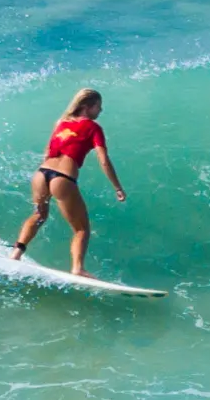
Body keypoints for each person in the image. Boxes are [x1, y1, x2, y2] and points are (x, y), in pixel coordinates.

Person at [11, 86, 128, 277]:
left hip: (41, 174)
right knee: (81, 229)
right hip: (62, 178)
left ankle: (16, 253)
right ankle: (77, 268)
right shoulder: (93, 128)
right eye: (98, 106)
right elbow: (104, 161)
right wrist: (118, 187)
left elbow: (48, 152)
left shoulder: (61, 122)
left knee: (39, 216)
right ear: (87, 106)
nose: (100, 111)